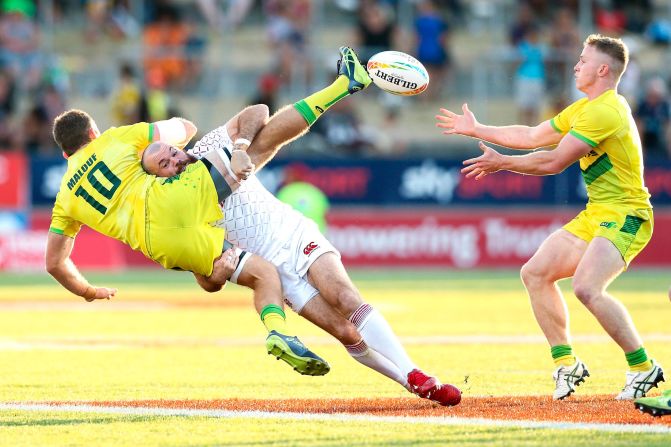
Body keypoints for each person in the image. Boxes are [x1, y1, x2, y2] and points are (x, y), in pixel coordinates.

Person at [144, 50, 462, 407]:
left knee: (345, 298)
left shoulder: (206, 150)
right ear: (159, 179)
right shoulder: (178, 213)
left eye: (171, 152)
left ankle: (417, 374)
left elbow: (257, 113)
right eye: (164, 164)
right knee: (345, 332)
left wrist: (239, 147)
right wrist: (216, 274)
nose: (173, 159)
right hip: (274, 274)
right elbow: (204, 279)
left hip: (293, 235)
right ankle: (408, 380)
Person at [44, 45, 375, 377]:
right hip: (172, 200)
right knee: (257, 144)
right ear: (93, 133)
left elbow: (55, 263)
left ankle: (278, 330)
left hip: (158, 246)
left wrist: (88, 291)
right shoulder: (116, 139)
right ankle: (342, 86)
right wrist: (161, 154)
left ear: (65, 154)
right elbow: (186, 128)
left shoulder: (65, 199)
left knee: (252, 274)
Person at [436, 34, 664, 401]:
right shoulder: (583, 109)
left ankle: (643, 367)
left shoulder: (607, 110)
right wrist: (478, 129)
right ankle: (566, 363)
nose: (576, 64)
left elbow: (554, 161)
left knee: (587, 288)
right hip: (597, 214)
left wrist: (502, 162)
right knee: (535, 273)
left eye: (583, 59)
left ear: (602, 69)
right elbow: (530, 135)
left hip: (627, 214)